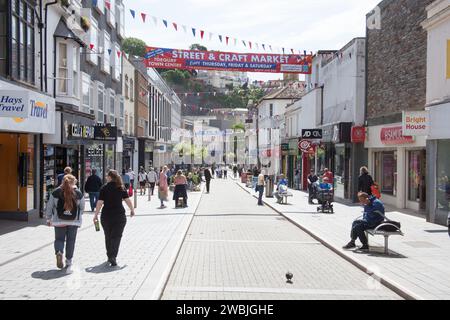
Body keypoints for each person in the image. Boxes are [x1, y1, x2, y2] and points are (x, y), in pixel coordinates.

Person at [94, 170, 135, 267]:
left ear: (110, 177)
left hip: (106, 216)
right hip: (119, 216)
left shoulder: (104, 188)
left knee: (108, 236)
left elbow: (100, 202)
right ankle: (113, 256)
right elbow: (127, 200)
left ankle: (109, 255)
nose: (105, 177)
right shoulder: (120, 187)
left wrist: (96, 215)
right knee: (116, 236)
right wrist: (132, 210)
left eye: (106, 176)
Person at [46, 174, 84, 269]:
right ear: (74, 182)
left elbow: (49, 206)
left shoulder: (55, 192)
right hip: (73, 222)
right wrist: (77, 216)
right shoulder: (78, 193)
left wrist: (49, 218)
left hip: (59, 221)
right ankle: (69, 261)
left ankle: (59, 252)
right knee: (71, 241)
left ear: (62, 181)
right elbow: (82, 208)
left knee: (59, 239)